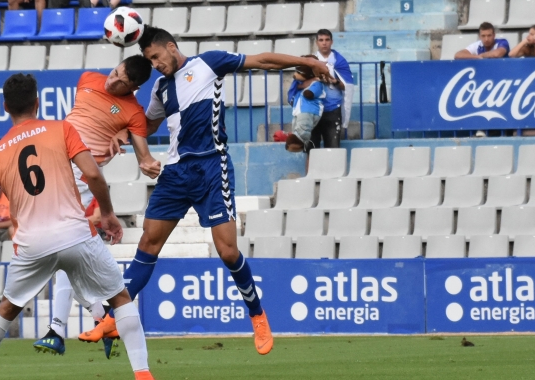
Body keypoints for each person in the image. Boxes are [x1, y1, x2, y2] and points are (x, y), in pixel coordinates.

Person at [77, 25, 333, 356]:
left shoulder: (208, 63)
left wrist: (306, 62)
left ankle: (257, 315)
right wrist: (122, 135)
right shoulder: (160, 89)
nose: (155, 64)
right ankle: (112, 317)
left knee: (227, 251)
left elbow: (262, 60)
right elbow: (147, 125)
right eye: (150, 61)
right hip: (176, 173)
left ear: (170, 47)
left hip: (212, 167)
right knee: (147, 244)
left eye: (156, 57)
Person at [0, 73, 154, 380]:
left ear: (5, 106)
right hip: (75, 234)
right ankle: (143, 375)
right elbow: (94, 175)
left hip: (32, 245)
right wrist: (109, 213)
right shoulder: (62, 129)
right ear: (38, 102)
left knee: (6, 308)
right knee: (120, 298)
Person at [31, 55, 161, 358]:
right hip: (52, 169)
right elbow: (90, 117)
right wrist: (120, 130)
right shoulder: (88, 78)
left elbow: (144, 156)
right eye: (115, 72)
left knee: (61, 253)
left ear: (135, 87)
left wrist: (148, 161)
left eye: (122, 82)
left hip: (80, 180)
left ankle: (59, 329)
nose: (112, 80)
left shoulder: (133, 113)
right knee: (66, 256)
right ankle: (100, 316)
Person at [313, 29, 352, 149]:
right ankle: (311, 169)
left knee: (333, 149)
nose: (324, 43)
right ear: (316, 42)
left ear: (332, 42)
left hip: (333, 110)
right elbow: (301, 83)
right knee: (311, 148)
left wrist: (335, 81)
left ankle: (334, 168)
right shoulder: (310, 60)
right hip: (313, 109)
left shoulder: (339, 61)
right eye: (321, 40)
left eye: (327, 40)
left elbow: (348, 86)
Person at [285, 59, 326, 153]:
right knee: (297, 127)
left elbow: (311, 93)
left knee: (304, 128)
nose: (296, 75)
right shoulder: (301, 85)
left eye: (300, 73)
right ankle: (297, 142)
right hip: (300, 110)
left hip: (309, 110)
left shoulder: (317, 83)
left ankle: (300, 142)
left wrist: (309, 93)